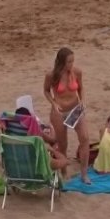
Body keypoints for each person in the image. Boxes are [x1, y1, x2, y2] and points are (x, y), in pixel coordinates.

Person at [43, 47, 91, 183]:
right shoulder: (52, 75)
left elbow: (81, 88)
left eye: (72, 61)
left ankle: (84, 173)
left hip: (75, 109)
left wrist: (82, 101)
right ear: (61, 62)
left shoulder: (77, 72)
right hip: (59, 112)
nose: (71, 64)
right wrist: (53, 103)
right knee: (63, 144)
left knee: (85, 138)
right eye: (69, 62)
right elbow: (46, 91)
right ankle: (64, 171)